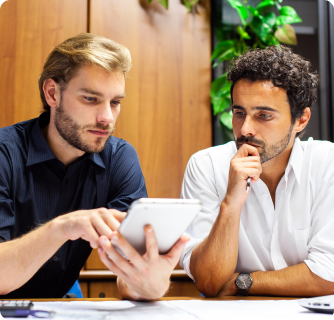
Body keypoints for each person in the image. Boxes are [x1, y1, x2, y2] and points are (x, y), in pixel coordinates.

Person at [0, 33, 188, 299]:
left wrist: (149, 284)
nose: (106, 118)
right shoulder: (4, 153)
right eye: (90, 99)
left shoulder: (119, 158)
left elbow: (129, 273)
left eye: (115, 102)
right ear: (52, 93)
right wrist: (61, 228)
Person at [179, 45, 334, 297]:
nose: (245, 129)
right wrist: (230, 203)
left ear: (301, 120)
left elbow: (329, 275)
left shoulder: (327, 164)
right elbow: (208, 281)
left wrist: (244, 281)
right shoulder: (207, 166)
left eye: (263, 115)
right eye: (239, 113)